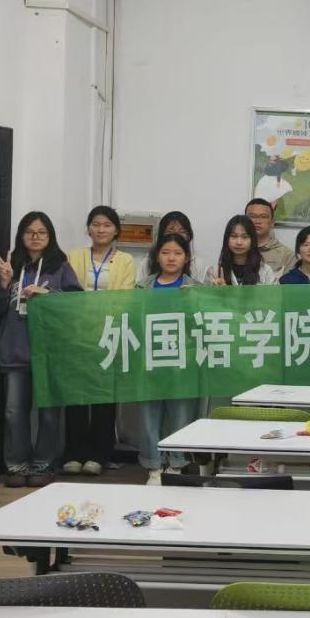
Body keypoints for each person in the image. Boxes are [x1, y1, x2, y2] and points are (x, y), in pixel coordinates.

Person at [0, 212, 83, 488]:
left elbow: (76, 304)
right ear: (21, 236)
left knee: (49, 414)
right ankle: (16, 465)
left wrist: (49, 295)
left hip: (50, 353)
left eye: (42, 232)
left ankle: (44, 465)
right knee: (13, 412)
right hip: (15, 350)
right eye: (30, 231)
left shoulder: (60, 267)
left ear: (50, 236)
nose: (35, 236)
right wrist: (3, 283)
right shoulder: (11, 266)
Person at [62, 206, 138, 477]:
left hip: (108, 334)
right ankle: (74, 453)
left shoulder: (126, 260)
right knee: (76, 396)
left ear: (116, 230)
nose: (101, 229)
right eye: (95, 224)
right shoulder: (73, 256)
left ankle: (99, 454)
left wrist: (97, 312)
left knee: (104, 396)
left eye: (107, 225)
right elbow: (67, 293)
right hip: (78, 335)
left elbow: (124, 297)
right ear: (88, 229)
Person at [135, 233, 202, 484]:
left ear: (186, 258)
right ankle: (154, 466)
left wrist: (194, 301)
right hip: (150, 358)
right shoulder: (142, 286)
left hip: (183, 360)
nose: (171, 258)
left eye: (177, 253)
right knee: (149, 416)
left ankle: (176, 465)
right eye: (165, 252)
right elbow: (133, 320)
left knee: (180, 415)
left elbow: (204, 324)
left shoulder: (196, 288)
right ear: (157, 257)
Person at [206, 215, 279, 285]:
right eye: (234, 236)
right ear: (226, 239)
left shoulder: (266, 271)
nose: (239, 242)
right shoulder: (216, 272)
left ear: (253, 240)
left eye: (245, 237)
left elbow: (274, 294)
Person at [137, 210, 206, 282]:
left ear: (189, 236)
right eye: (170, 231)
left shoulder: (198, 264)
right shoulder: (147, 262)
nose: (176, 236)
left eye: (182, 232)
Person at [244, 197, 293, 274]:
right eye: (253, 216)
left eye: (263, 217)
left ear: (272, 222)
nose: (257, 221)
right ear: (244, 220)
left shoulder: (286, 255)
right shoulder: (236, 249)